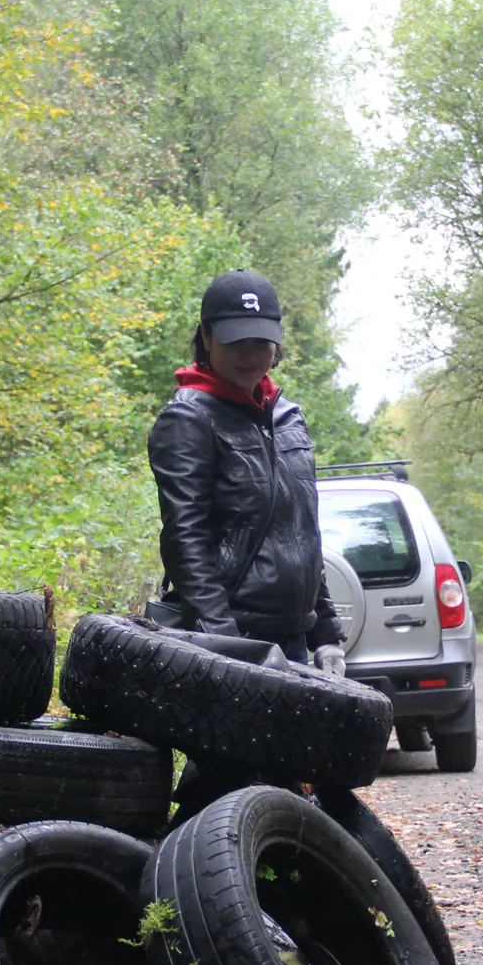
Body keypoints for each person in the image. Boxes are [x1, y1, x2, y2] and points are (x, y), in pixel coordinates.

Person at [146, 268, 343, 668]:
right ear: (206, 337)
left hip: (292, 641)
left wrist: (326, 634)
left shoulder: (287, 417)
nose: (250, 355)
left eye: (261, 342)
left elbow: (303, 532)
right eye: (236, 342)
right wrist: (226, 645)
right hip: (226, 639)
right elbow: (185, 538)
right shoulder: (188, 419)